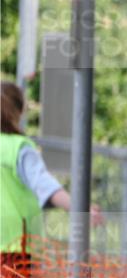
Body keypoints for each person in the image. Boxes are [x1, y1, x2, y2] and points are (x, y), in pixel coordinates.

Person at [1, 81, 102, 251]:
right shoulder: (17, 148)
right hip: (15, 254)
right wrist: (79, 209)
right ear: (19, 112)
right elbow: (45, 185)